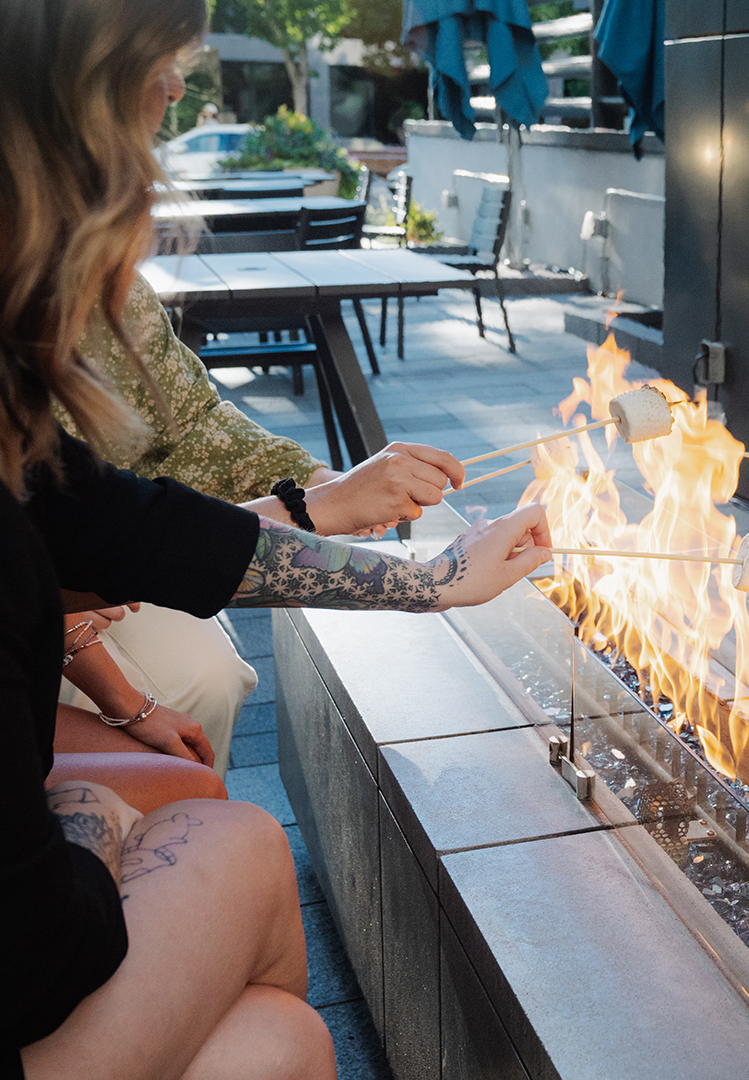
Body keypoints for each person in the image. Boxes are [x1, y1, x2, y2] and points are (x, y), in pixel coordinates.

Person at [0, 2, 553, 1077]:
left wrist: (429, 583)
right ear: (30, 118)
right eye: (157, 73)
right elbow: (2, 967)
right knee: (249, 851)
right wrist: (84, 817)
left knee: (280, 1039)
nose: (174, 103)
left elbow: (116, 524)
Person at [52, 55, 470, 775]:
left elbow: (179, 425)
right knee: (204, 714)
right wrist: (339, 526)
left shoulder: (84, 261)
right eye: (158, 54)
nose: (178, 87)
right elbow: (70, 531)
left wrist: (308, 481)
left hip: (70, 553)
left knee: (210, 677)